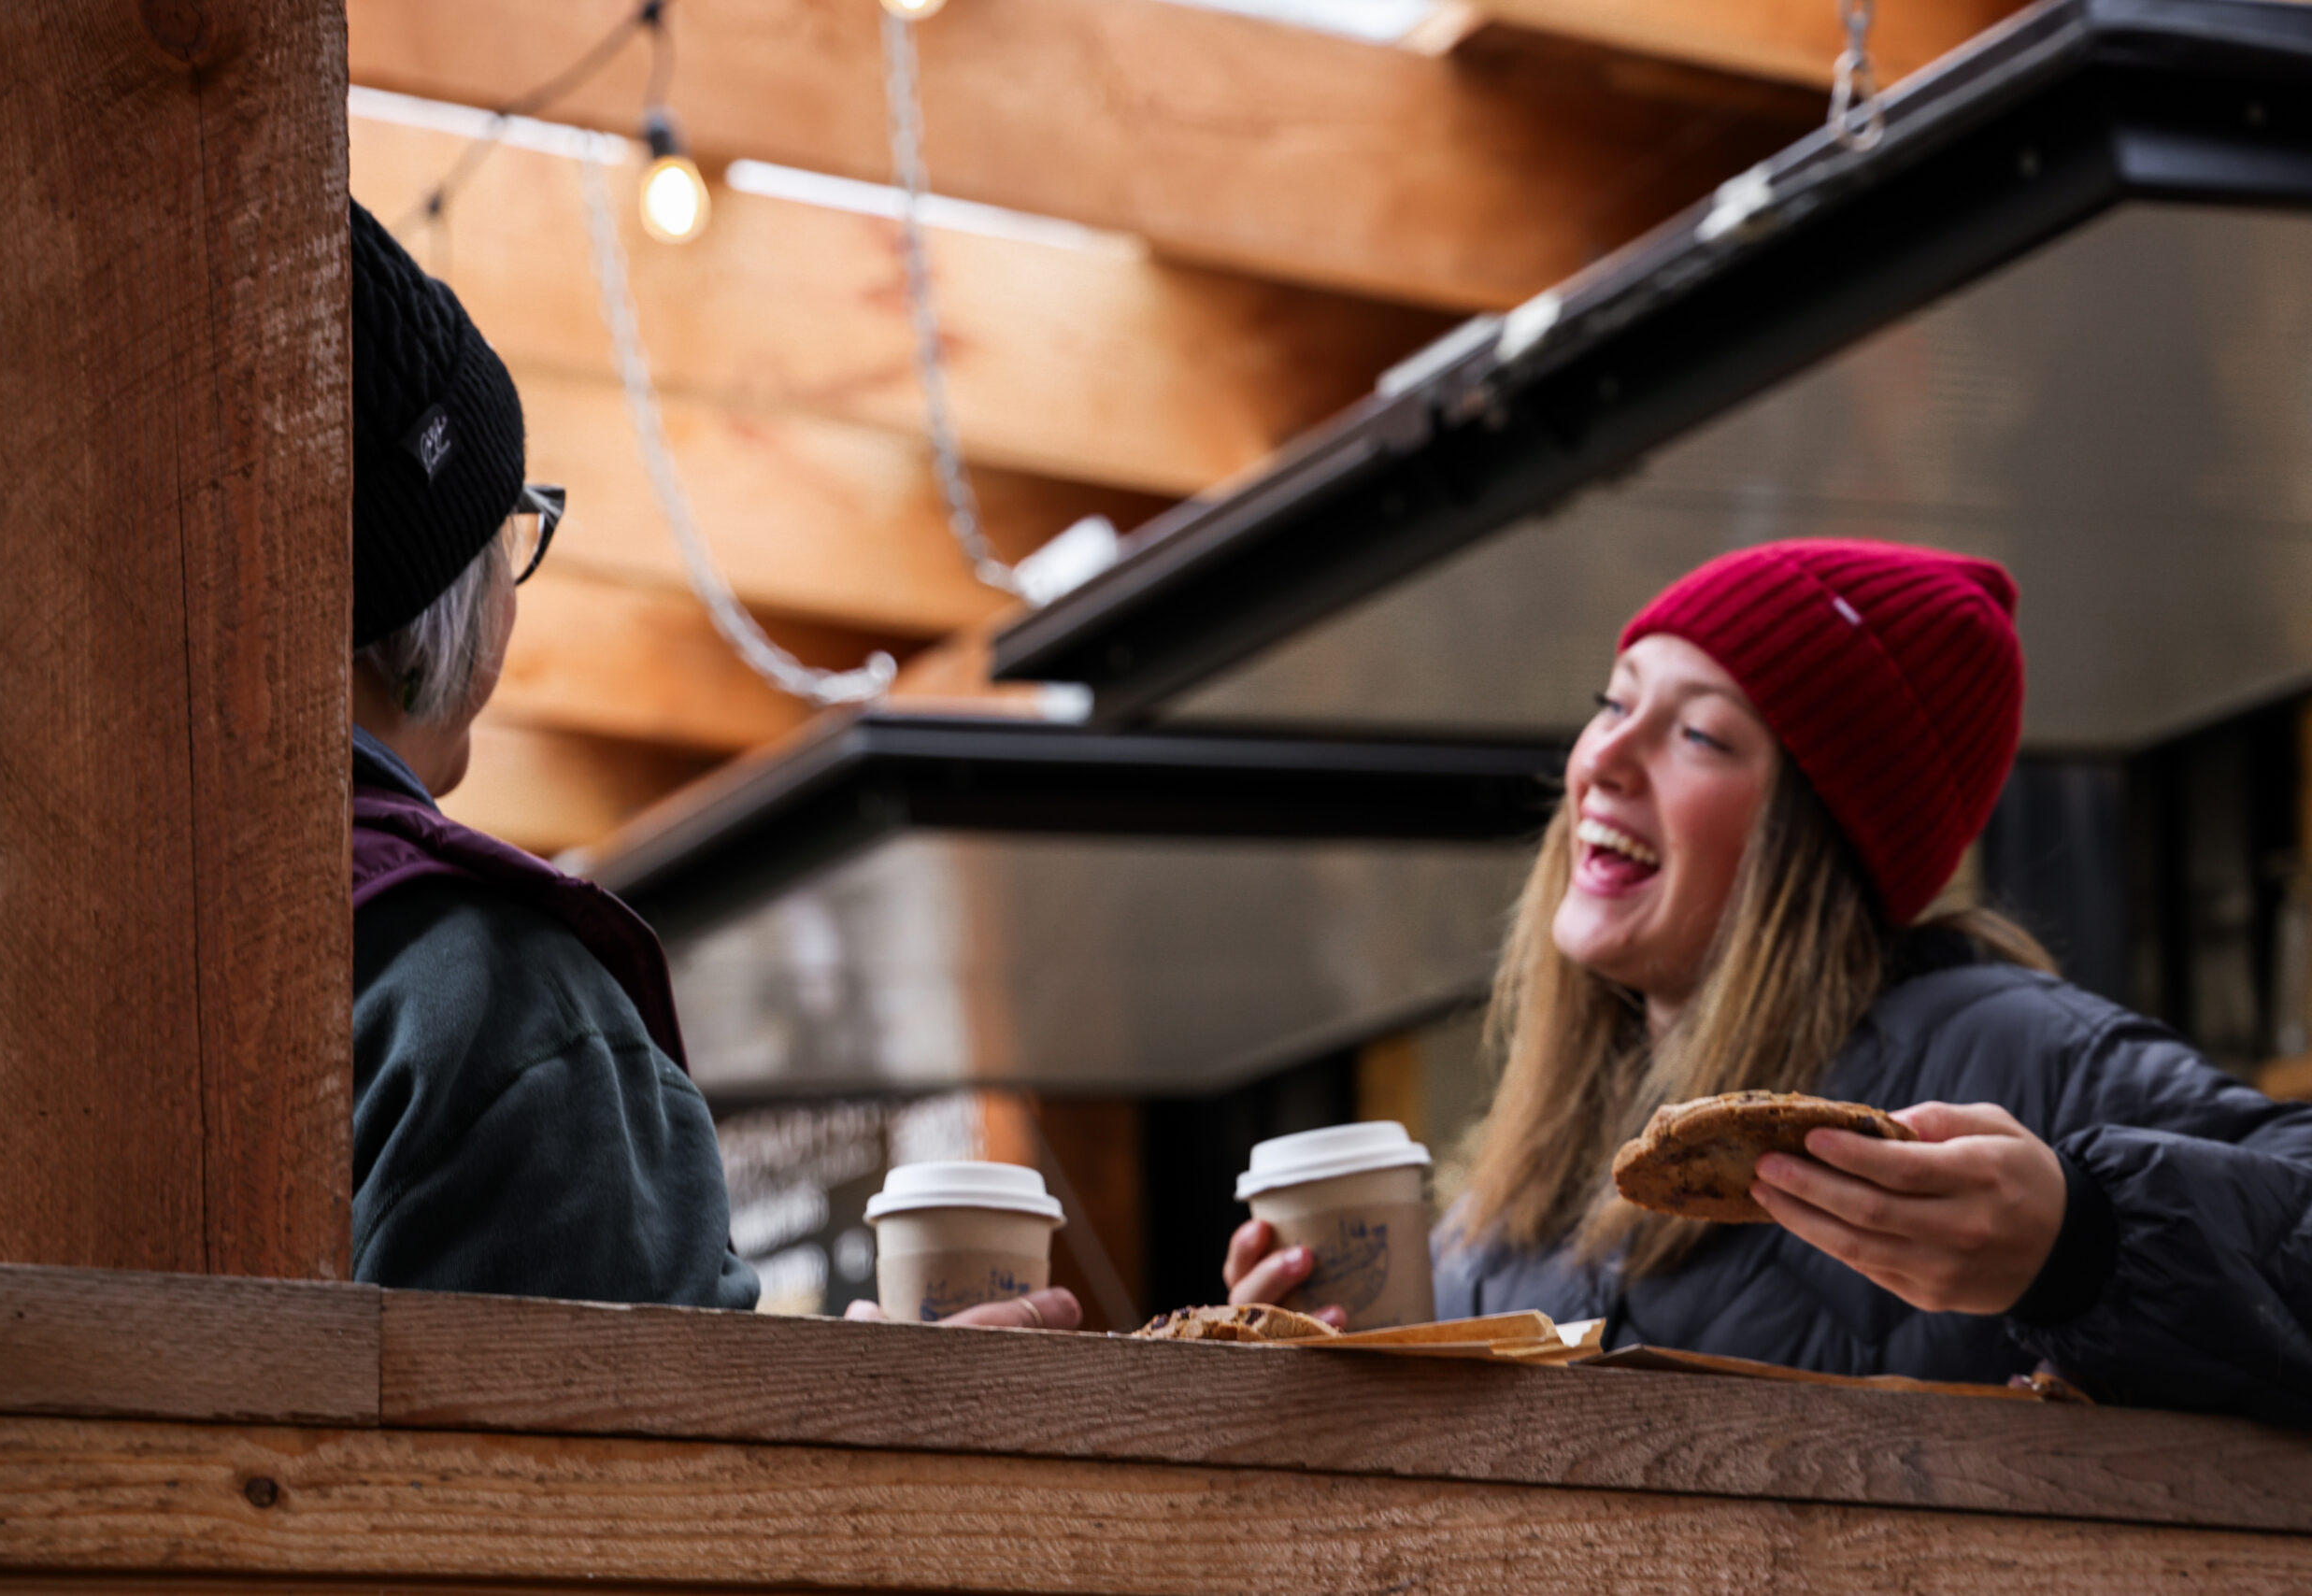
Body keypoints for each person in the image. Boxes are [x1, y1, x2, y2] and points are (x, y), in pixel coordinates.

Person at [1223, 539, 2312, 1420]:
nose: (1603, 756)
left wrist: (2082, 1244)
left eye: (1698, 732)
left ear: (1815, 839)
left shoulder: (2011, 1052)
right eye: (1612, 703)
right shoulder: (1496, 1219)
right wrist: (1333, 1389)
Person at [347, 199, 1078, 1328]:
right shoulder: (499, 1009)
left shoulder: (118, 939)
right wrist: (908, 1440)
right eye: (508, 531)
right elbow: (634, 1495)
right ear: (429, 609)